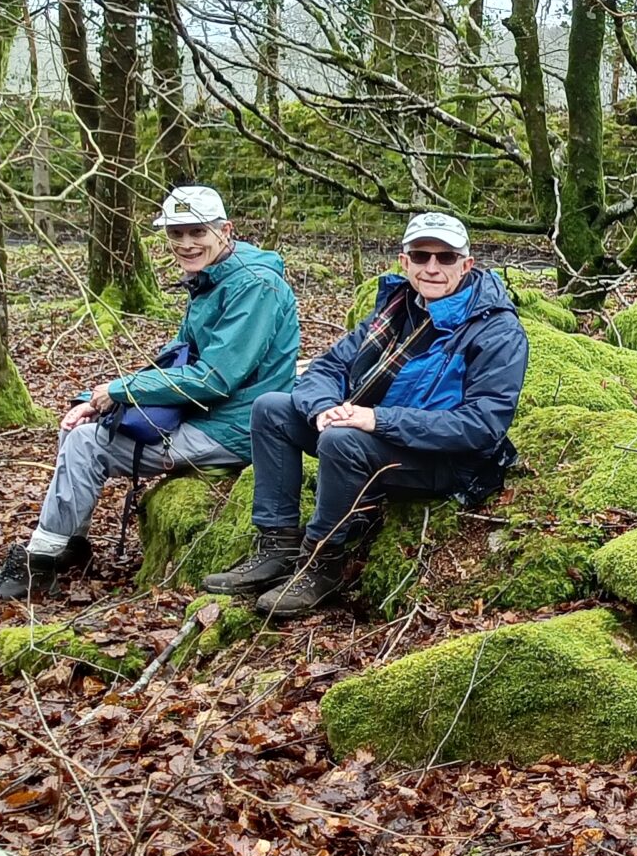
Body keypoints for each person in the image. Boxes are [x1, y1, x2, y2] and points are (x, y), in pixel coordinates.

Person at [0, 187, 299, 608]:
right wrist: (97, 399)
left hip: (234, 427)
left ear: (225, 230)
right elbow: (176, 359)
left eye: (197, 232)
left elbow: (215, 378)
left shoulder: (254, 286)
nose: (186, 243)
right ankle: (66, 545)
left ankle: (37, 566)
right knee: (81, 427)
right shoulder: (215, 278)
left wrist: (121, 390)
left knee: (87, 444)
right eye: (176, 233)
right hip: (206, 415)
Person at [204, 212, 530, 614]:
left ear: (466, 265)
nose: (432, 267)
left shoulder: (495, 330)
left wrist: (377, 420)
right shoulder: (397, 308)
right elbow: (328, 367)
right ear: (404, 261)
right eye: (421, 256)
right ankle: (277, 545)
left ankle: (322, 562)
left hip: (450, 461)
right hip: (379, 436)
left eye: (445, 258)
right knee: (271, 409)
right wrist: (323, 408)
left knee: (342, 440)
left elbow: (483, 426)